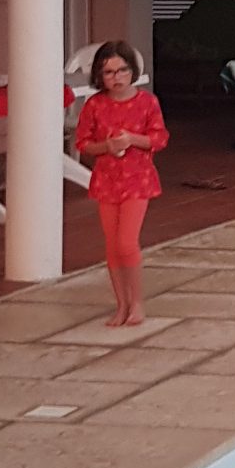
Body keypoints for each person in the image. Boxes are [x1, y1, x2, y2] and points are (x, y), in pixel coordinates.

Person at [74, 41, 169, 327]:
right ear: (100, 75)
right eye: (109, 72)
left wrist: (132, 140)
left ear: (132, 71)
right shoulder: (94, 105)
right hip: (107, 180)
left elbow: (159, 138)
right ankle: (122, 304)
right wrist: (107, 146)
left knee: (127, 242)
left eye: (122, 70)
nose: (116, 77)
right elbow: (83, 143)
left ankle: (137, 302)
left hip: (138, 179)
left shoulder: (147, 102)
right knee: (113, 245)